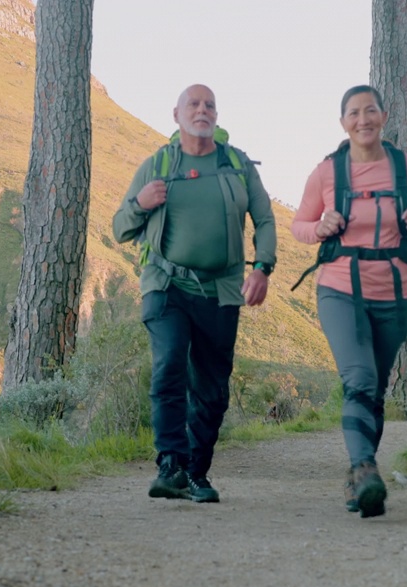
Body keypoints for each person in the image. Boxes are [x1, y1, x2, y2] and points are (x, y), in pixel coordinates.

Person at [112, 84, 277, 504]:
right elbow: (120, 228)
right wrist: (141, 202)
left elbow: (264, 219)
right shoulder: (159, 164)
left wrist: (261, 268)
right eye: (193, 104)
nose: (202, 110)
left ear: (216, 116)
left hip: (221, 289)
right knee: (168, 363)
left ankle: (195, 472)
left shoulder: (237, 165)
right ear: (176, 114)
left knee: (212, 387)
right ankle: (170, 463)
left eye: (209, 105)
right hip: (166, 283)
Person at [290, 85, 407, 518]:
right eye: (353, 113)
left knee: (375, 388)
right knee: (358, 377)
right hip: (339, 287)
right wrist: (320, 228)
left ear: (383, 116)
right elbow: (299, 223)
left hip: (396, 292)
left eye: (370, 110)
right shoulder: (326, 173)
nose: (363, 119)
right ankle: (364, 468)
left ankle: (359, 479)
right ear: (343, 123)